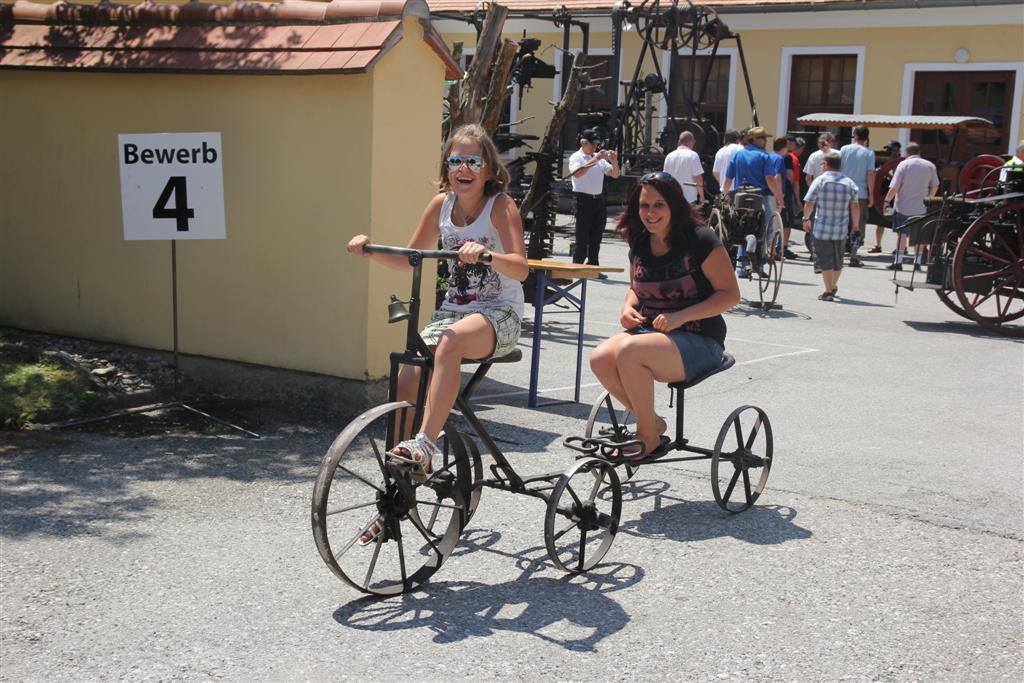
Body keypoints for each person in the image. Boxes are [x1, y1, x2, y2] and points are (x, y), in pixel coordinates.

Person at [347, 124, 528, 543]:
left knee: (449, 343)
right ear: (446, 167)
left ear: (487, 170)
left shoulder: (500, 206)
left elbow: (521, 267)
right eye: (455, 161)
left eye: (472, 161)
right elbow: (411, 260)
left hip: (499, 314)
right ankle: (398, 482)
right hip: (455, 314)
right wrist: (370, 249)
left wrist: (487, 253)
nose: (463, 168)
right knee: (409, 367)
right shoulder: (440, 206)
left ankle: (426, 443)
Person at [589, 172, 739, 457]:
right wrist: (627, 307)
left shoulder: (701, 240)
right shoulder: (640, 244)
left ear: (674, 206)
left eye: (659, 205)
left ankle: (647, 436)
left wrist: (681, 316)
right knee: (600, 358)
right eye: (645, 206)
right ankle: (652, 422)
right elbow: (636, 288)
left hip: (700, 339)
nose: (650, 213)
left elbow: (730, 295)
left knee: (630, 351)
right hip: (652, 336)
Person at [722, 126, 785, 275]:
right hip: (760, 196)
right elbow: (769, 179)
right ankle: (759, 261)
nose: (765, 141)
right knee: (765, 228)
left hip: (740, 196)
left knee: (741, 226)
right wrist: (779, 197)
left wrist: (724, 195)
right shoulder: (764, 156)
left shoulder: (738, 155)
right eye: (763, 138)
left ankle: (741, 266)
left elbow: (728, 178)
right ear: (754, 140)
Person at [803, 151, 859, 301]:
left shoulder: (820, 181)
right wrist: (856, 226)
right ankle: (832, 286)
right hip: (841, 229)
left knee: (825, 259)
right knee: (838, 260)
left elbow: (809, 202)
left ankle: (828, 291)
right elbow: (855, 206)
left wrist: (806, 218)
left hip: (822, 227)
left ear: (826, 165)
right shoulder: (849, 183)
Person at [568, 128, 621, 276]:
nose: (595, 147)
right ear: (584, 143)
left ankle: (593, 266)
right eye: (592, 144)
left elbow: (615, 174)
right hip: (582, 199)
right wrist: (595, 159)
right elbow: (577, 173)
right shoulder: (576, 157)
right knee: (582, 235)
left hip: (597, 199)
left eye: (596, 144)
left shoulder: (598, 158)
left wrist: (615, 162)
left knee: (596, 235)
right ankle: (576, 266)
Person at [882, 141, 938, 271]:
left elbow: (894, 187)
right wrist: (929, 198)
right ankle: (917, 263)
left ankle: (898, 262)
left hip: (903, 205)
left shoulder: (903, 165)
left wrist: (886, 201)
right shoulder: (930, 165)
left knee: (902, 234)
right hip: (921, 206)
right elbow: (935, 185)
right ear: (919, 152)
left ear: (906, 153)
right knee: (920, 236)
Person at [839, 125, 876, 267]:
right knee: (858, 224)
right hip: (860, 192)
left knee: (842, 222)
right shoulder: (869, 153)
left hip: (843, 190)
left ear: (855, 135)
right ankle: (853, 255)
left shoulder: (844, 149)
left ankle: (840, 253)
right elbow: (870, 174)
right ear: (866, 137)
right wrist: (871, 194)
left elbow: (839, 168)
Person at [869, 141, 905, 253]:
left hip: (894, 197)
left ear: (897, 150)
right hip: (883, 195)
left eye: (891, 149)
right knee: (880, 221)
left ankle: (902, 247)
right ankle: (878, 245)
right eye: (887, 149)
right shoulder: (884, 161)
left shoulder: (901, 163)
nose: (888, 152)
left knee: (897, 223)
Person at [772, 137, 799, 260]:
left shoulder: (769, 156)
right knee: (780, 223)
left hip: (770, 192)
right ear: (785, 146)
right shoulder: (781, 159)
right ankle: (775, 251)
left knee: (773, 223)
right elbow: (782, 177)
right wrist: (780, 196)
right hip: (780, 193)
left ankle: (773, 250)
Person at [663, 130, 705, 206]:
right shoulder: (693, 155)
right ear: (691, 142)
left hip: (672, 198)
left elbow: (665, 178)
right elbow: (697, 178)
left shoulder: (669, 156)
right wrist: (702, 196)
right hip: (688, 199)